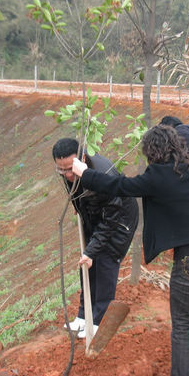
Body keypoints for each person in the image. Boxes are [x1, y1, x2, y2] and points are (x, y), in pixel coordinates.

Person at [71, 125, 189, 376]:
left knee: (182, 326)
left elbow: (120, 185)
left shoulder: (159, 176)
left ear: (152, 152)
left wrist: (85, 174)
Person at [52, 138, 139, 338]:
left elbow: (111, 219)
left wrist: (92, 250)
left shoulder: (102, 174)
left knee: (105, 262)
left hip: (119, 221)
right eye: (61, 170)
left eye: (70, 169)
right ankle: (84, 316)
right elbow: (73, 190)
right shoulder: (68, 171)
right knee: (87, 264)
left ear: (82, 158)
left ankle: (99, 322)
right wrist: (77, 207)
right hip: (94, 214)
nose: (67, 174)